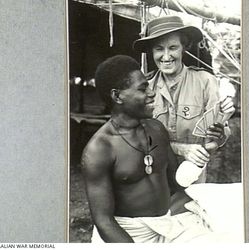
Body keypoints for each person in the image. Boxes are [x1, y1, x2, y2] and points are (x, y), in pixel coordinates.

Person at [81, 55, 225, 243]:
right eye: (143, 88)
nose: (152, 92)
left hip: (169, 224)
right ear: (117, 96)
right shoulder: (99, 149)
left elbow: (176, 185)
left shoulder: (156, 129)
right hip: (128, 234)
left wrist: (209, 148)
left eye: (149, 86)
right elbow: (104, 221)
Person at [133, 16, 235, 181]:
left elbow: (219, 133)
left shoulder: (205, 82)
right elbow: (138, 138)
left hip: (192, 176)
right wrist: (181, 149)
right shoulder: (145, 89)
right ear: (152, 51)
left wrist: (219, 135)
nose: (166, 56)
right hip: (154, 178)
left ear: (184, 48)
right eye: (159, 49)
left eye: (173, 47)